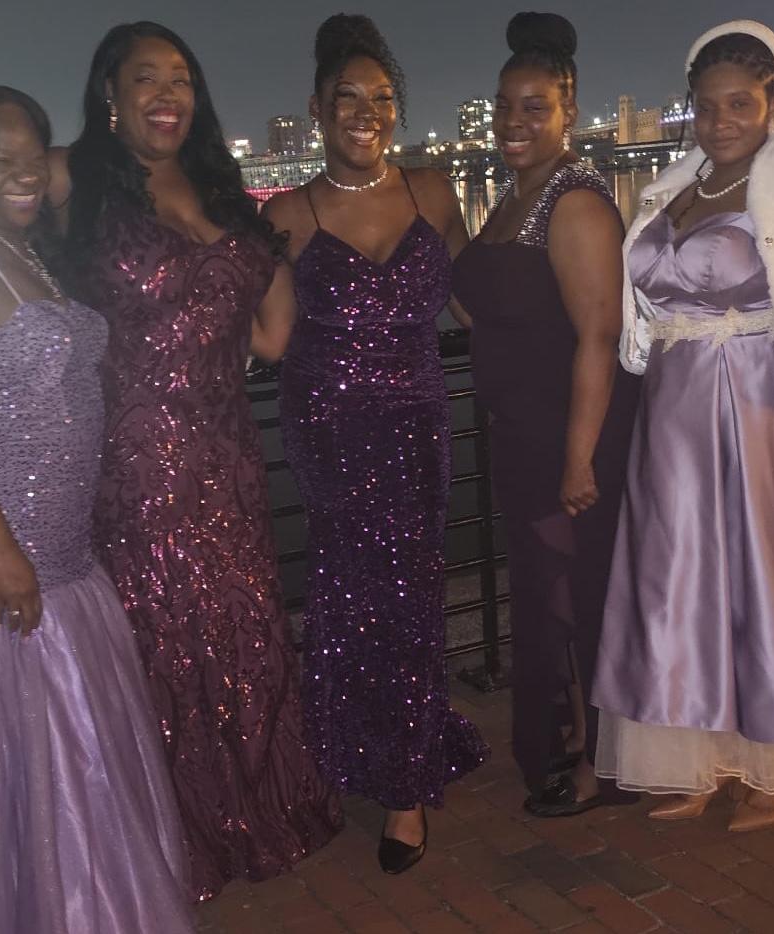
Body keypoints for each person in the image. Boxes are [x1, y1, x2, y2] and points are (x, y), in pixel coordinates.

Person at [48, 21, 341, 899]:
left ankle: (257, 810)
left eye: (181, 77)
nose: (168, 93)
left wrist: (273, 249)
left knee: (241, 629)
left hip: (225, 459)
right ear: (110, 94)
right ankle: (170, 832)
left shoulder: (224, 192)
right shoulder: (74, 179)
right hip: (129, 467)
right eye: (146, 78)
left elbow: (275, 338)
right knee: (156, 643)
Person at [0, 84, 192, 934]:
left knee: (71, 761)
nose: (26, 172)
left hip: (62, 555)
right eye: (2, 160)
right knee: (5, 768)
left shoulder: (25, 251)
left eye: (33, 153)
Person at [593, 20, 774, 832]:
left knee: (760, 577)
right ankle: (690, 755)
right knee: (675, 579)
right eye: (706, 105)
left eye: (741, 102)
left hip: (757, 406)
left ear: (772, 103)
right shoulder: (671, 188)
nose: (722, 119)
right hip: (672, 411)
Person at [265, 13, 488, 874]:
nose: (367, 111)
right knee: (351, 596)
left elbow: (472, 300)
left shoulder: (433, 191)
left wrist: (568, 329)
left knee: (411, 594)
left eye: (382, 97)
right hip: (330, 431)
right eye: (348, 97)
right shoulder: (289, 212)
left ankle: (404, 780)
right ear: (318, 109)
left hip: (419, 423)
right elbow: (273, 337)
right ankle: (352, 748)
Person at [451, 11, 639, 817]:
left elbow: (598, 337)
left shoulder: (575, 203)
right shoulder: (510, 196)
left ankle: (602, 764)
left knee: (576, 593)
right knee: (543, 590)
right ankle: (561, 740)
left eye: (534, 106)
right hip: (523, 428)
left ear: (568, 108)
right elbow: (480, 308)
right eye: (504, 105)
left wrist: (577, 459)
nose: (514, 121)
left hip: (573, 431)